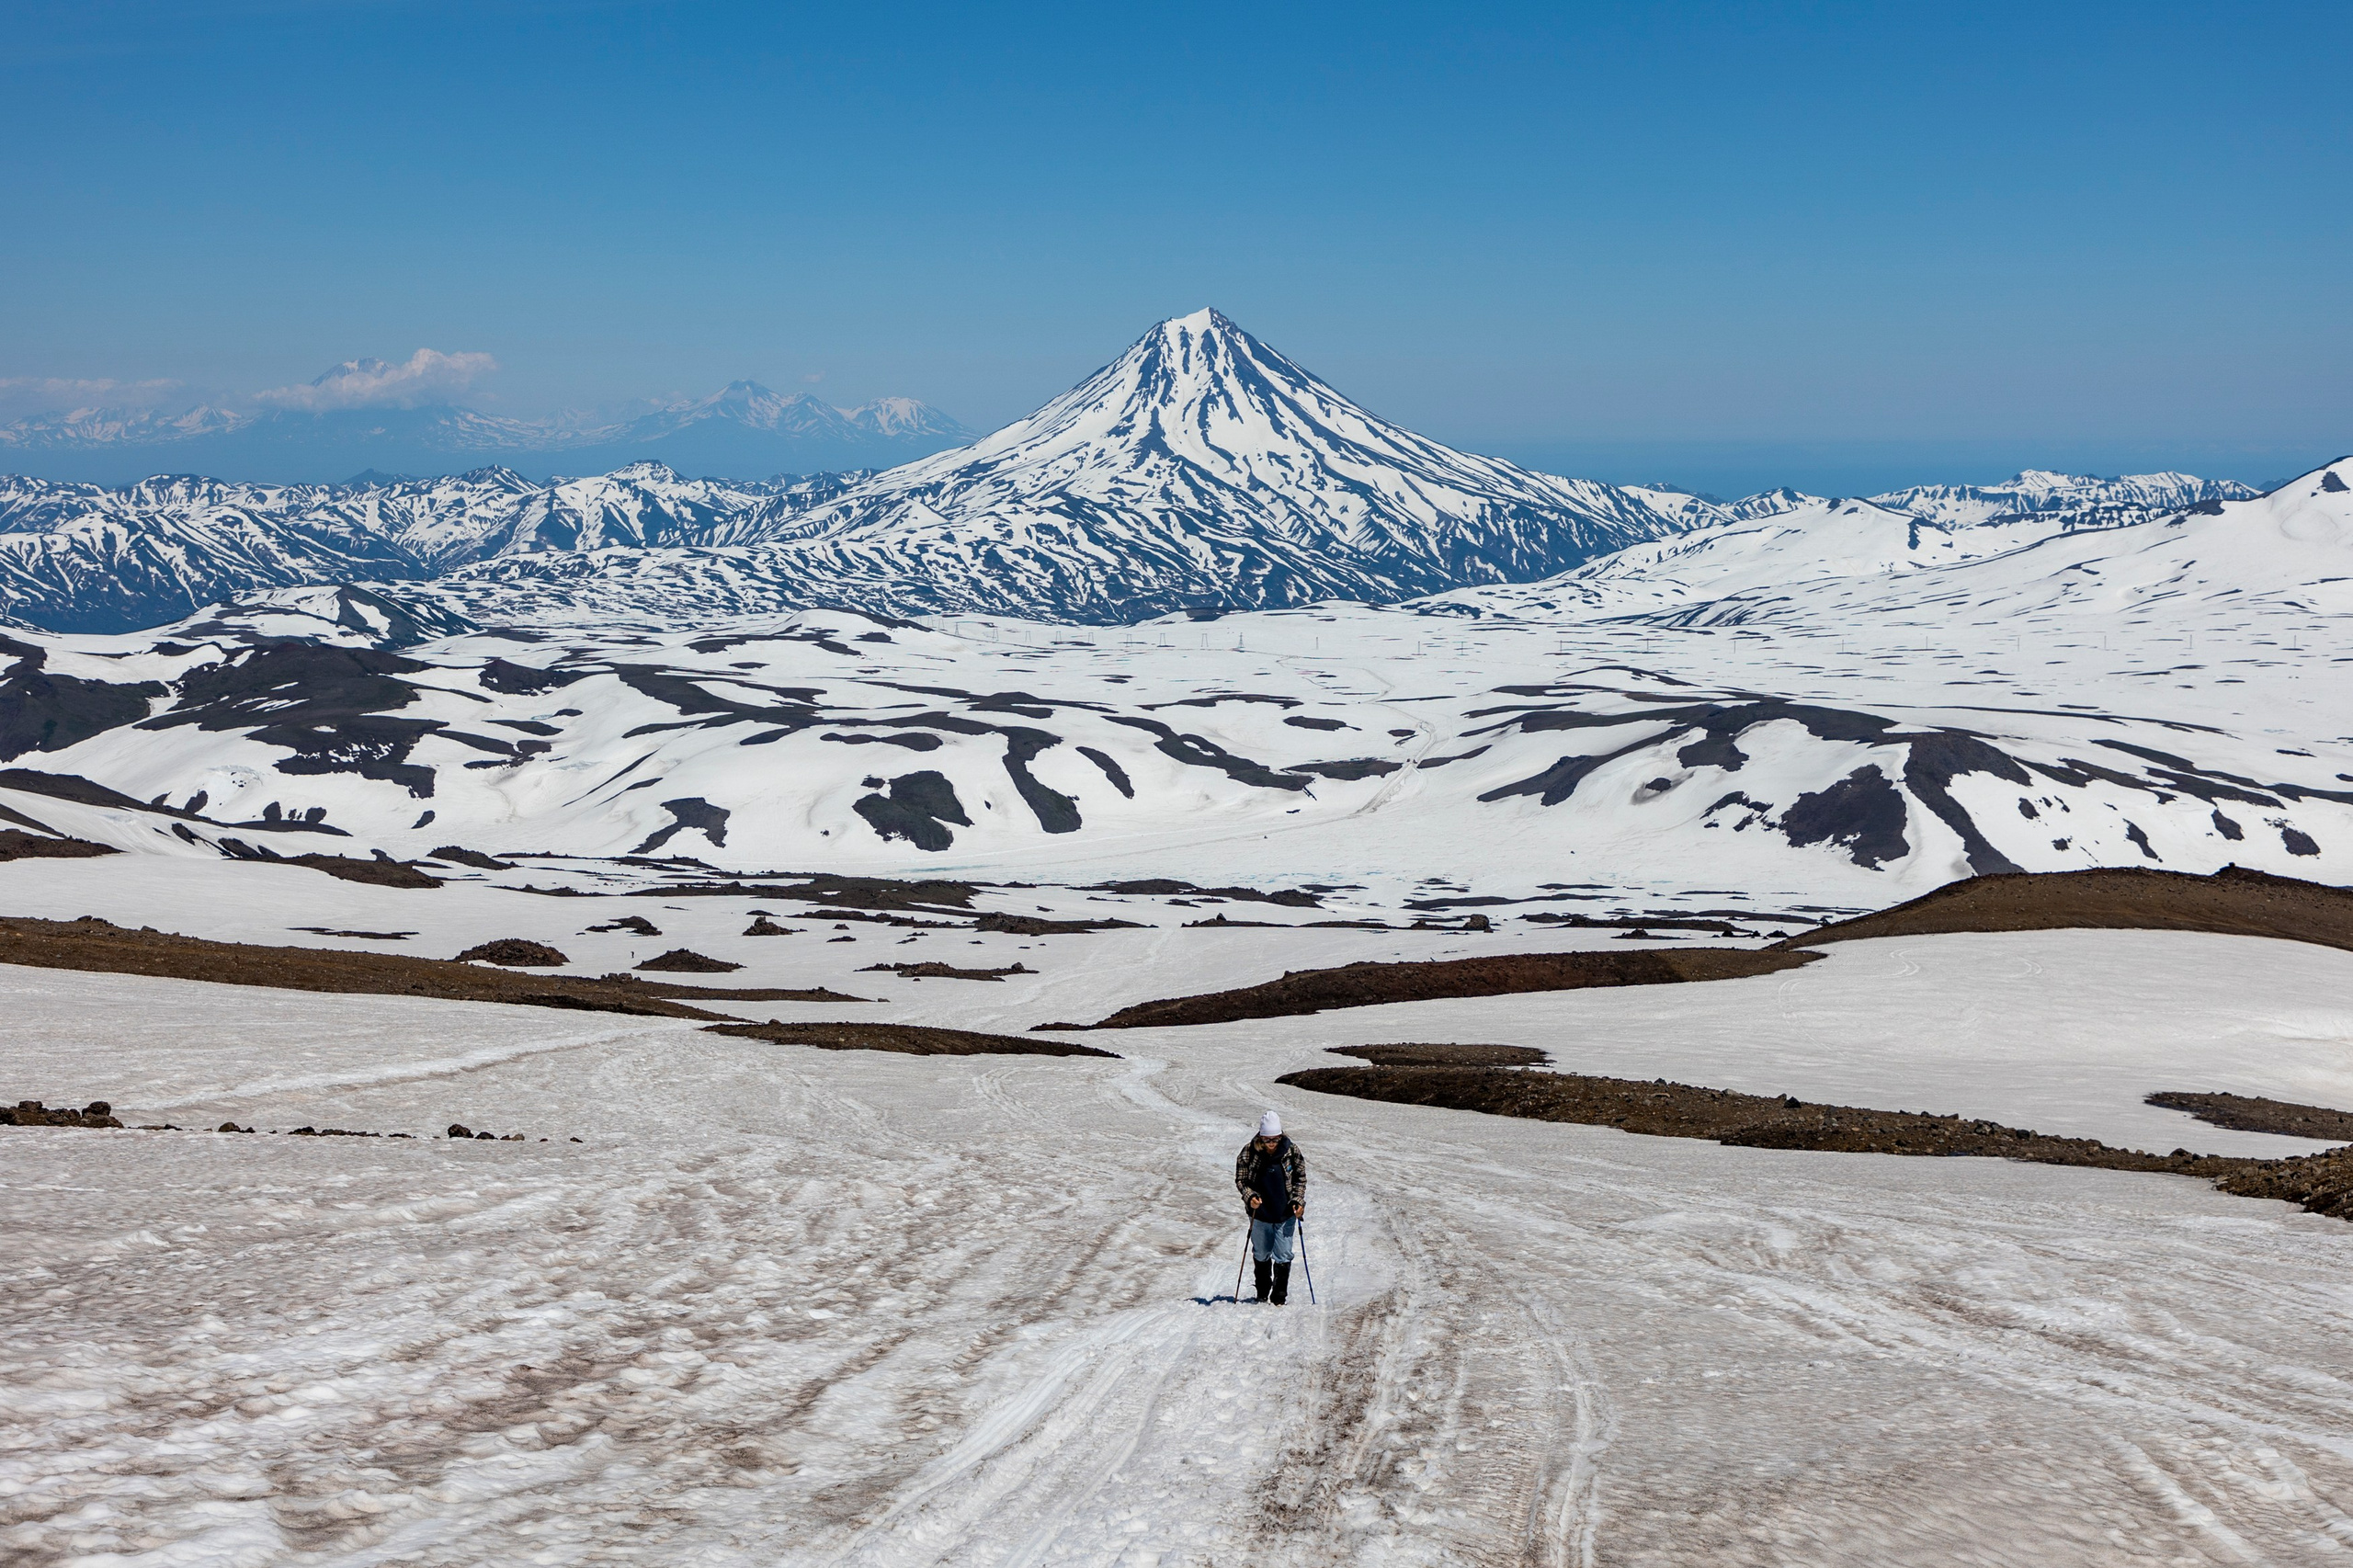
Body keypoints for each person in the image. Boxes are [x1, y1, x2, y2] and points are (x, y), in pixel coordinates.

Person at [1234, 1109, 1307, 1304]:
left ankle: (1279, 1297)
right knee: (1261, 1253)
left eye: (1275, 1139)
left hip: (1285, 1214)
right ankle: (1262, 1291)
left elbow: (1300, 1178)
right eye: (1267, 1140)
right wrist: (1249, 1197)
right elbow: (1241, 1180)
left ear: (1281, 1135)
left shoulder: (1292, 1151)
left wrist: (1298, 1202)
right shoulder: (1249, 1152)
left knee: (1283, 1254)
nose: (1272, 1144)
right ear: (1261, 1137)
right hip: (1260, 1214)